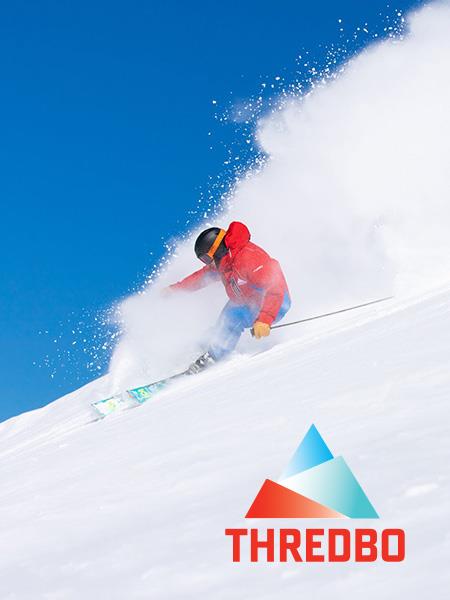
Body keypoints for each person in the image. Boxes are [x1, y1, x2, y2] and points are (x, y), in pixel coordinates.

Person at [168, 221, 291, 373]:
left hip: (274, 301)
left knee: (233, 318)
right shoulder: (224, 263)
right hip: (247, 300)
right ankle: (210, 345)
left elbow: (275, 288)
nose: (207, 263)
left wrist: (264, 319)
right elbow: (201, 277)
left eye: (206, 258)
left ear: (217, 249)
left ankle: (213, 358)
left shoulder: (248, 258)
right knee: (226, 317)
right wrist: (175, 290)